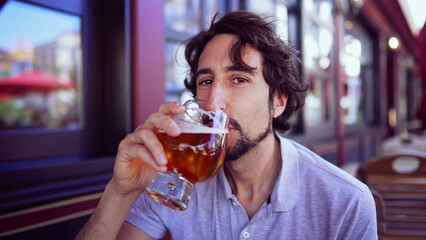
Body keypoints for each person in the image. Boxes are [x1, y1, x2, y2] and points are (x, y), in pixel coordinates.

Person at [77, 11, 377, 239]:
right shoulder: (176, 177)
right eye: (205, 81)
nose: (214, 102)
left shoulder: (346, 202)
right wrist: (120, 191)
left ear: (278, 102)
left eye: (239, 79)